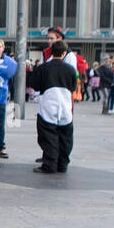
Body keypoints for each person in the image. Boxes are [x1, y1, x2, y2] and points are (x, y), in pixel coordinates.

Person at [31, 40, 78, 174]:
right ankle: (62, 164)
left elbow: (35, 85)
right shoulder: (70, 69)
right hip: (65, 104)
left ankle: (50, 164)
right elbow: (73, 87)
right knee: (65, 137)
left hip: (48, 104)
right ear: (64, 53)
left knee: (48, 136)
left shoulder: (43, 68)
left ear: (51, 52)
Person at [0, 39, 17, 156]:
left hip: (1, 97)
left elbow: (12, 80)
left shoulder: (9, 63)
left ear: (3, 48)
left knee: (0, 124)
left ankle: (0, 147)